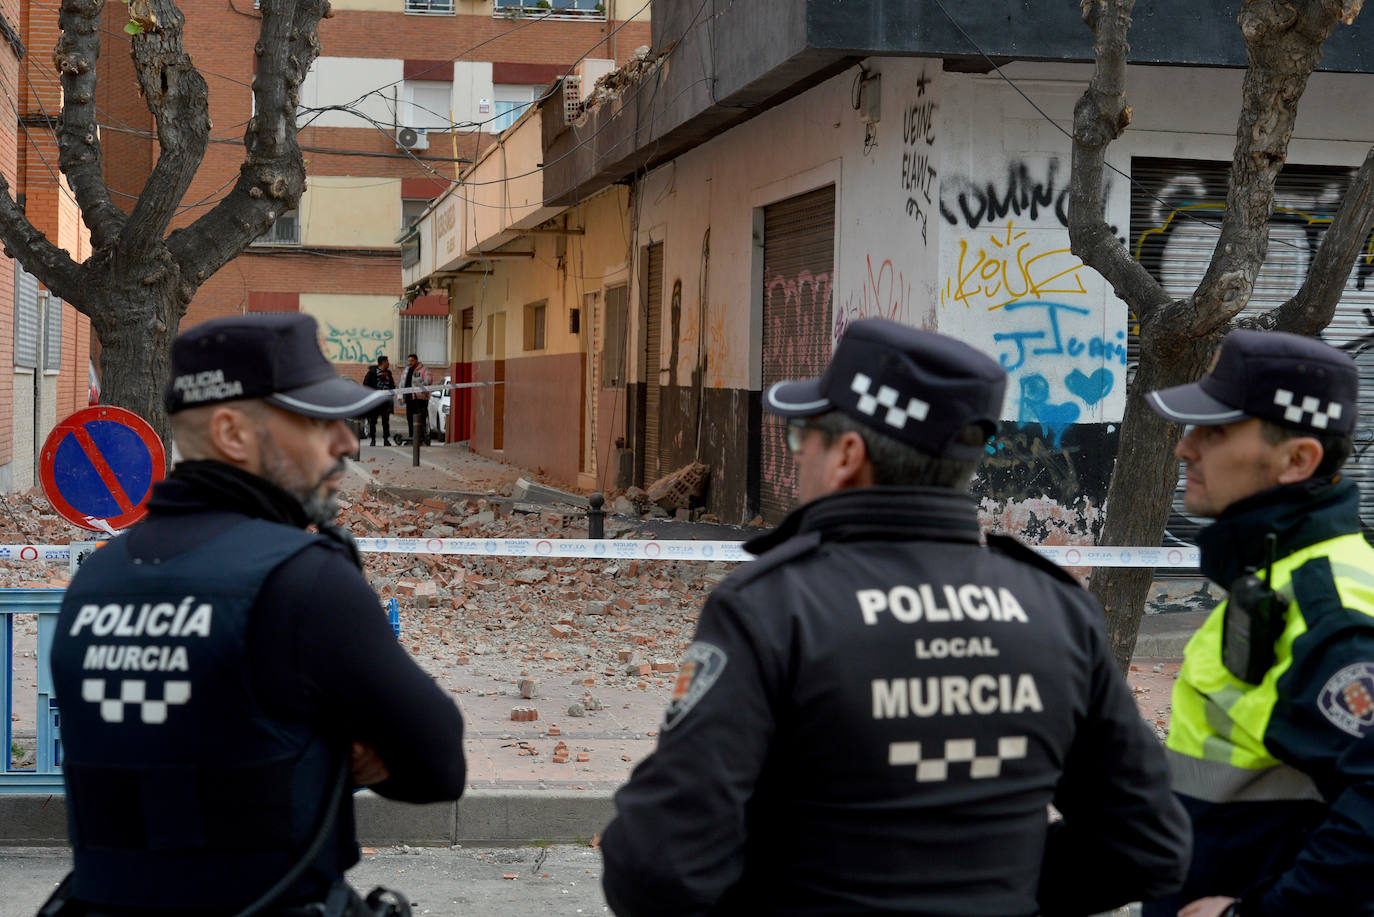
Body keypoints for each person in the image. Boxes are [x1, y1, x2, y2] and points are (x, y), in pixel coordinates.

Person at [600, 318, 1190, 916]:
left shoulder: (775, 606)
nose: (797, 455)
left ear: (847, 456)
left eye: (804, 436)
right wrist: (996, 889)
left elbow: (656, 865)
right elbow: (1149, 842)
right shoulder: (1057, 610)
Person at [46, 313, 467, 916]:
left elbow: (158, 753)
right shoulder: (303, 578)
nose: (346, 442)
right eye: (317, 420)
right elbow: (437, 766)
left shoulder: (99, 576)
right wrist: (323, 750)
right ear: (233, 433)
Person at [1141, 330, 1374, 917]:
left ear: (1298, 459)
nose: (1184, 449)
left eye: (1213, 432)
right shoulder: (1276, 576)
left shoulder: (1327, 609)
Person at [361, 354, 395, 447]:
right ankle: (373, 439)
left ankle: (386, 439)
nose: (389, 363)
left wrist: (392, 391)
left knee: (385, 421)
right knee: (373, 421)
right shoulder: (372, 373)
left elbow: (392, 385)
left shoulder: (388, 373)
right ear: (383, 362)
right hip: (375, 401)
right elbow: (365, 385)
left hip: (385, 401)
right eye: (387, 361)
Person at [401, 353, 432, 446]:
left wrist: (420, 385)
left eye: (412, 360)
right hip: (409, 399)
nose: (410, 362)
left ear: (416, 360)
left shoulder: (424, 369)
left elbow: (429, 380)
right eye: (409, 361)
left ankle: (421, 438)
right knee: (410, 419)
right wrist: (401, 395)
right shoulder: (406, 370)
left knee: (421, 419)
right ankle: (411, 438)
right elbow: (402, 383)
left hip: (420, 399)